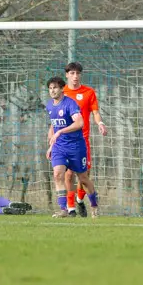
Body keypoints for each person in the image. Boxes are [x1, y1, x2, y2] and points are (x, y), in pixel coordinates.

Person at [46, 76, 99, 217]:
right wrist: (51, 145)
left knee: (83, 178)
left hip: (76, 146)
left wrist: (61, 131)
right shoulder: (50, 105)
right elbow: (54, 124)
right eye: (50, 88)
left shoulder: (70, 104)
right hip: (59, 147)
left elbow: (79, 123)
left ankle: (94, 205)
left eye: (55, 88)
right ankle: (64, 210)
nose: (52, 91)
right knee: (58, 174)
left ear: (62, 88)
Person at [60, 62, 108, 217]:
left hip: (82, 140)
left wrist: (100, 123)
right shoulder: (62, 93)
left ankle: (80, 199)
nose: (75, 76)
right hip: (65, 141)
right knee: (67, 175)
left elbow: (95, 112)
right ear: (66, 75)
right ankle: (71, 207)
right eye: (72, 73)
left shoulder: (88, 92)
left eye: (77, 73)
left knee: (84, 175)